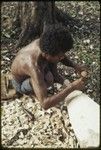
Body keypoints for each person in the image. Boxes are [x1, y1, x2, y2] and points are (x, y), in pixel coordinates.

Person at [11, 24, 87, 110]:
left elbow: (60, 55)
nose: (62, 58)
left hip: (35, 68)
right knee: (48, 79)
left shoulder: (45, 43)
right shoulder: (33, 67)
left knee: (51, 73)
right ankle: (33, 92)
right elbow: (45, 104)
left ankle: (55, 79)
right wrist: (72, 87)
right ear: (46, 54)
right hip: (20, 84)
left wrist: (75, 66)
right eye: (59, 57)